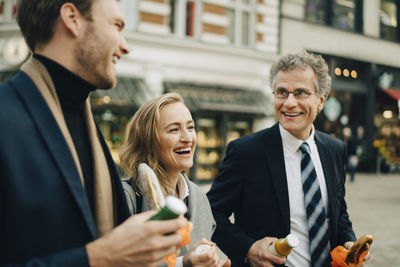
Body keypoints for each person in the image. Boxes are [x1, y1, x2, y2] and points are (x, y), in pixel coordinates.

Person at [0, 1, 186, 266]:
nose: (125, 46)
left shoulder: (88, 126)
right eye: (117, 26)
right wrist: (100, 257)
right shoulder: (6, 118)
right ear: (72, 18)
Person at [207, 51, 371, 267]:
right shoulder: (246, 152)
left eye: (300, 92)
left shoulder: (334, 149)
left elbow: (339, 215)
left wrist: (349, 243)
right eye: (282, 92)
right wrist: (248, 248)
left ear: (321, 100)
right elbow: (211, 214)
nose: (289, 103)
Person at [119, 93, 230, 267]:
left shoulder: (200, 198)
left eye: (191, 127)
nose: (187, 138)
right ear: (149, 141)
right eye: (174, 129)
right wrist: (183, 264)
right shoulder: (126, 197)